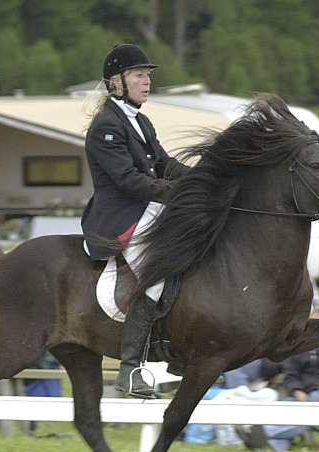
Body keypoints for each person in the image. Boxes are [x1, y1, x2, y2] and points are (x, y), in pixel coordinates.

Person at [80, 44, 190, 398]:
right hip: (120, 216)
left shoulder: (140, 120)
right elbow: (129, 181)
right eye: (139, 76)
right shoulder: (105, 126)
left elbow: (164, 164)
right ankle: (130, 369)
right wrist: (175, 193)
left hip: (147, 209)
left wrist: (204, 180)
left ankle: (178, 350)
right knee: (155, 277)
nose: (147, 82)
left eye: (148, 76)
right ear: (116, 83)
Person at [236, 310, 319, 452]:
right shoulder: (297, 350)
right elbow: (291, 374)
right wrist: (297, 390)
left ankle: (264, 433)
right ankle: (272, 445)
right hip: (299, 394)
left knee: (312, 407)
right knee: (285, 408)